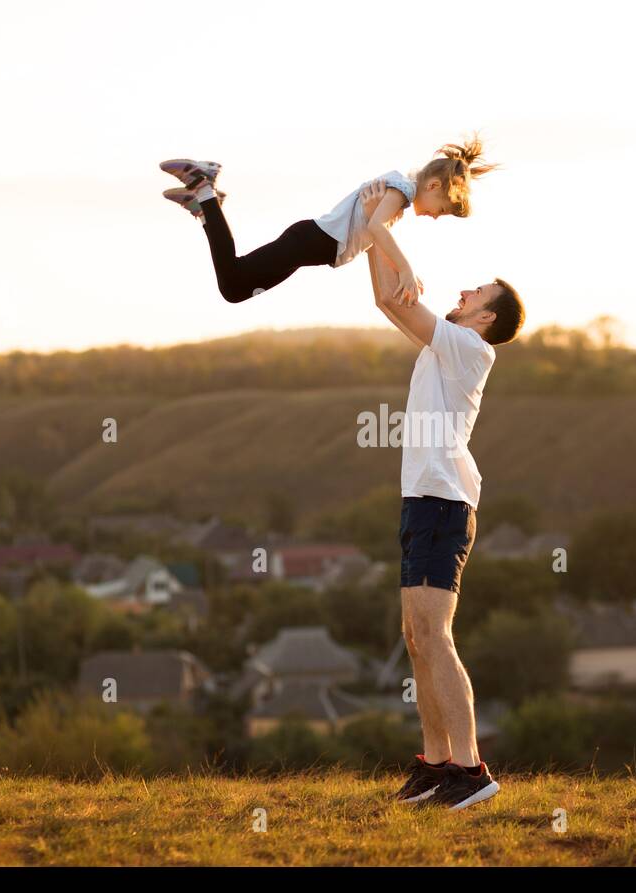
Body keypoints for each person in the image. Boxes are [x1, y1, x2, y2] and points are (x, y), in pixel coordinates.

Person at [360, 180, 525, 810]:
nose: (464, 293)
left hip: (444, 504)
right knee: (416, 634)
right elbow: (386, 298)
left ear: (486, 318)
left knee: (435, 633)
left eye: (475, 293)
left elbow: (401, 294)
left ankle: (470, 770)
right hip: (421, 500)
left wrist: (383, 213)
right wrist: (372, 224)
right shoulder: (443, 347)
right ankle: (434, 765)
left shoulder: (468, 348)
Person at [158, 136, 496, 305]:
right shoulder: (402, 191)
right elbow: (377, 230)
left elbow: (374, 234)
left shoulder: (398, 197)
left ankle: (206, 209)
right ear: (433, 186)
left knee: (234, 290)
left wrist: (400, 264)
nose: (437, 216)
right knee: (232, 281)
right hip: (307, 242)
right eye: (443, 208)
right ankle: (205, 191)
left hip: (307, 246)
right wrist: (406, 268)